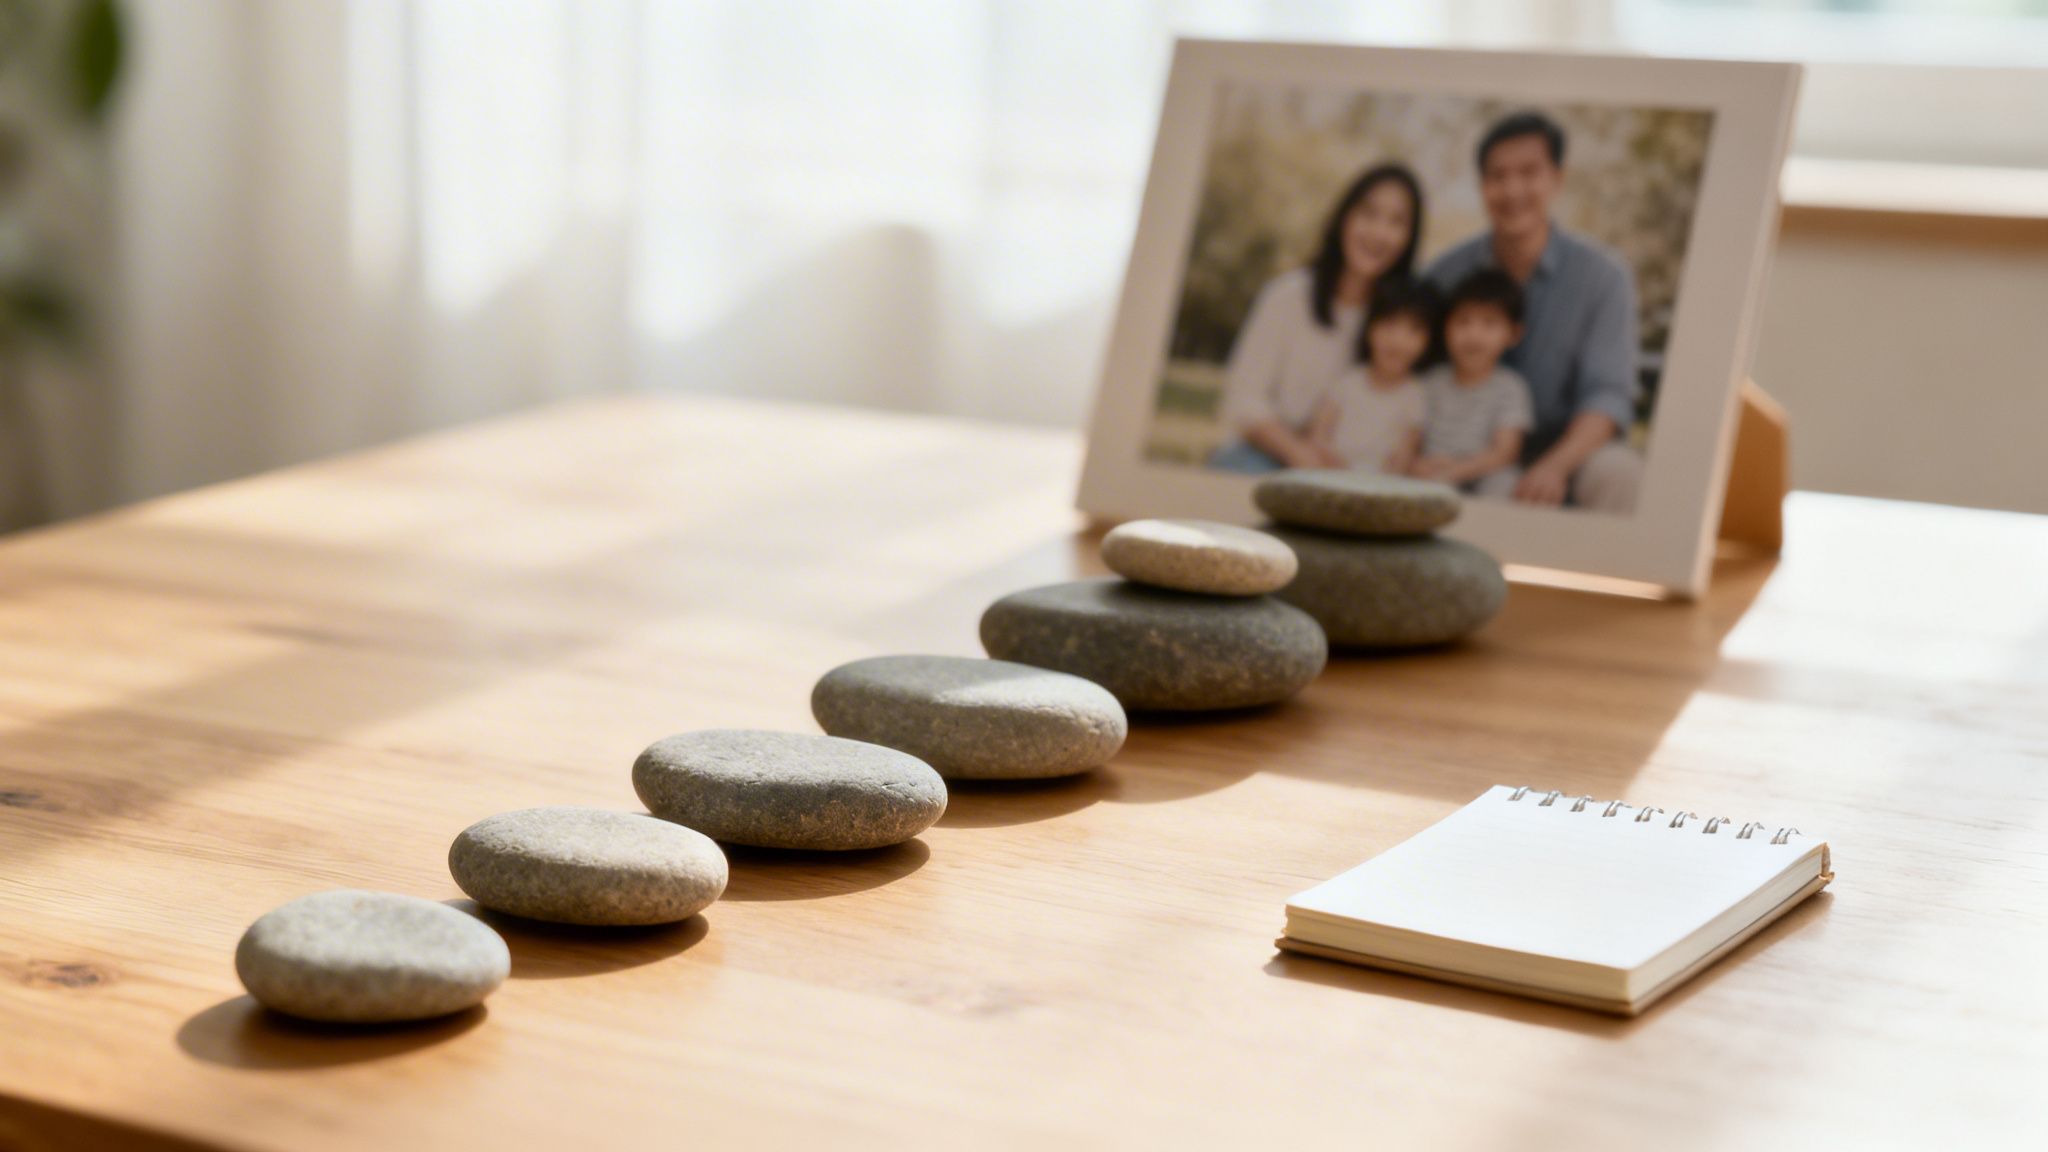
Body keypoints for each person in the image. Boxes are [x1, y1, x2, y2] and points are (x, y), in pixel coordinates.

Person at [1425, 111, 1644, 513]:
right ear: (1482, 186)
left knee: (1621, 472)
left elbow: (1608, 395)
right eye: (1498, 176)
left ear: (1556, 180)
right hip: (1464, 452)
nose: (1512, 190)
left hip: (1567, 451)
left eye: (1529, 173)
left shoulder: (1603, 278)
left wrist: (1553, 467)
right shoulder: (1445, 274)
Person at [1208, 163, 1425, 473]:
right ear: (1344, 218)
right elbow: (1244, 399)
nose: (1379, 233)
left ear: (1409, 238)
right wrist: (1298, 453)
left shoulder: (1402, 322)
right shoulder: (1288, 296)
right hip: (1266, 455)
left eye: (1396, 222)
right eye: (1368, 214)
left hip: (1353, 470)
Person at [1411, 269, 1534, 497]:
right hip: (1433, 473)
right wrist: (1418, 464)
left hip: (1483, 474)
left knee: (1506, 480)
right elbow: (1412, 436)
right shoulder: (1431, 382)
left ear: (1513, 334)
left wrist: (1458, 470)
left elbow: (1505, 451)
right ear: (1445, 328)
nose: (1473, 334)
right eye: (1463, 322)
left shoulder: (1510, 387)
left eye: (1489, 324)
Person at [1304, 277, 1435, 475]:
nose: (1398, 340)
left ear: (1427, 342)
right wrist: (1326, 458)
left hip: (1379, 485)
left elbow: (1404, 456)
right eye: (1389, 325)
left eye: (1414, 330)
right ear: (1370, 329)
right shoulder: (1348, 382)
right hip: (1331, 474)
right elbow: (1319, 433)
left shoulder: (1414, 396)